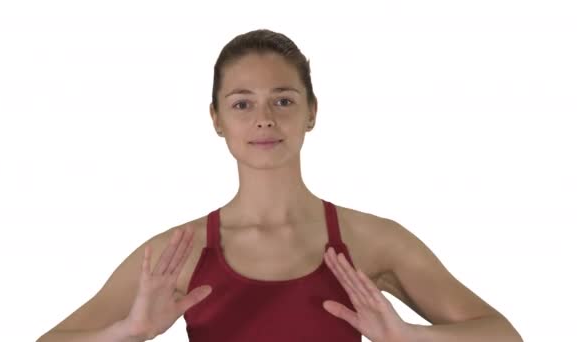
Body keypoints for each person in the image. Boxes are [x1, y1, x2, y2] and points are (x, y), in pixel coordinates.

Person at [37, 29, 522, 342]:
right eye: (242, 103)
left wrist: (408, 337)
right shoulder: (177, 252)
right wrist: (128, 332)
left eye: (283, 100)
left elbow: (503, 335)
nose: (264, 119)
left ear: (312, 112)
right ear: (217, 119)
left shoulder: (373, 240)